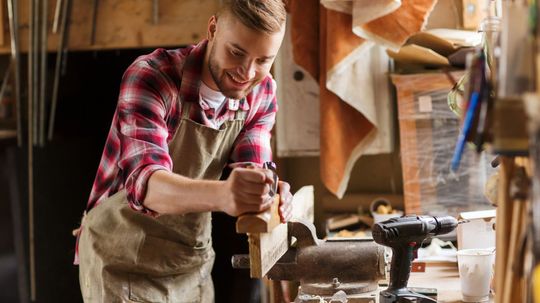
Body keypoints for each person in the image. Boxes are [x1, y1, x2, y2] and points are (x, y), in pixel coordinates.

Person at [76, 1, 292, 302]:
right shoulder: (152, 77)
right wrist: (226, 195)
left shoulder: (262, 91)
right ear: (213, 28)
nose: (246, 72)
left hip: (189, 261)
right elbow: (146, 185)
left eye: (263, 60)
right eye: (237, 53)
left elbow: (253, 168)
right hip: (121, 260)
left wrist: (267, 193)